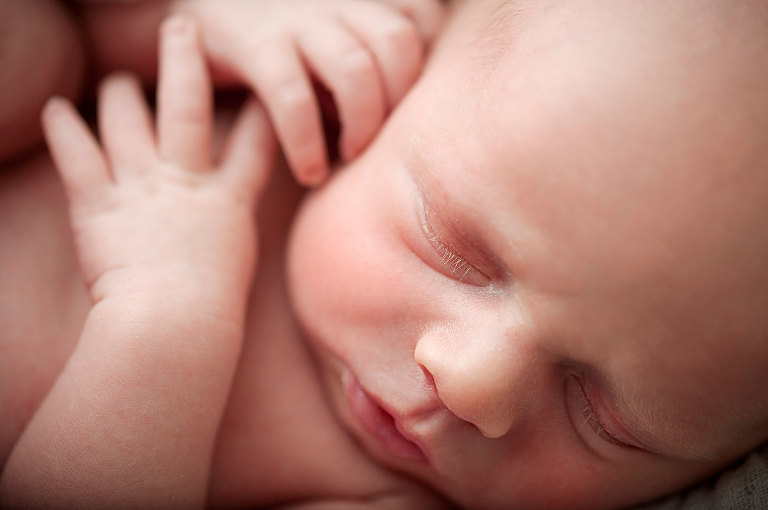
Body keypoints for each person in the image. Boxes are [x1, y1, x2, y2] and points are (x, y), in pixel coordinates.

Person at [2, 1, 768, 509]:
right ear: (408, 82)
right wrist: (202, 16)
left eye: (606, 419)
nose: (471, 383)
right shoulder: (321, 75)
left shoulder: (380, 497)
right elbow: (105, 38)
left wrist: (164, 323)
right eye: (457, 253)